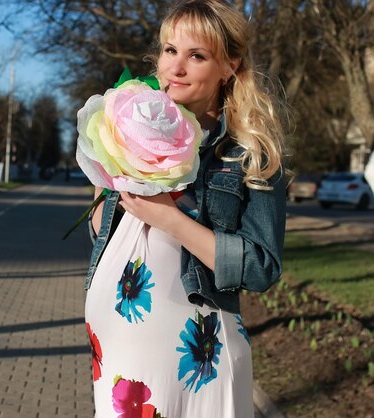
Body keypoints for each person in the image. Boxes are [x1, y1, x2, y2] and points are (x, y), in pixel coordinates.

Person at [83, 1, 290, 416]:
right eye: (169, 50)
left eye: (196, 56)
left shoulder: (247, 153)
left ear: (228, 66)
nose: (175, 67)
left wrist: (170, 220)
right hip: (117, 350)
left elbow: (262, 266)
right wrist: (108, 179)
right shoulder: (128, 130)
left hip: (196, 357)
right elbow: (100, 230)